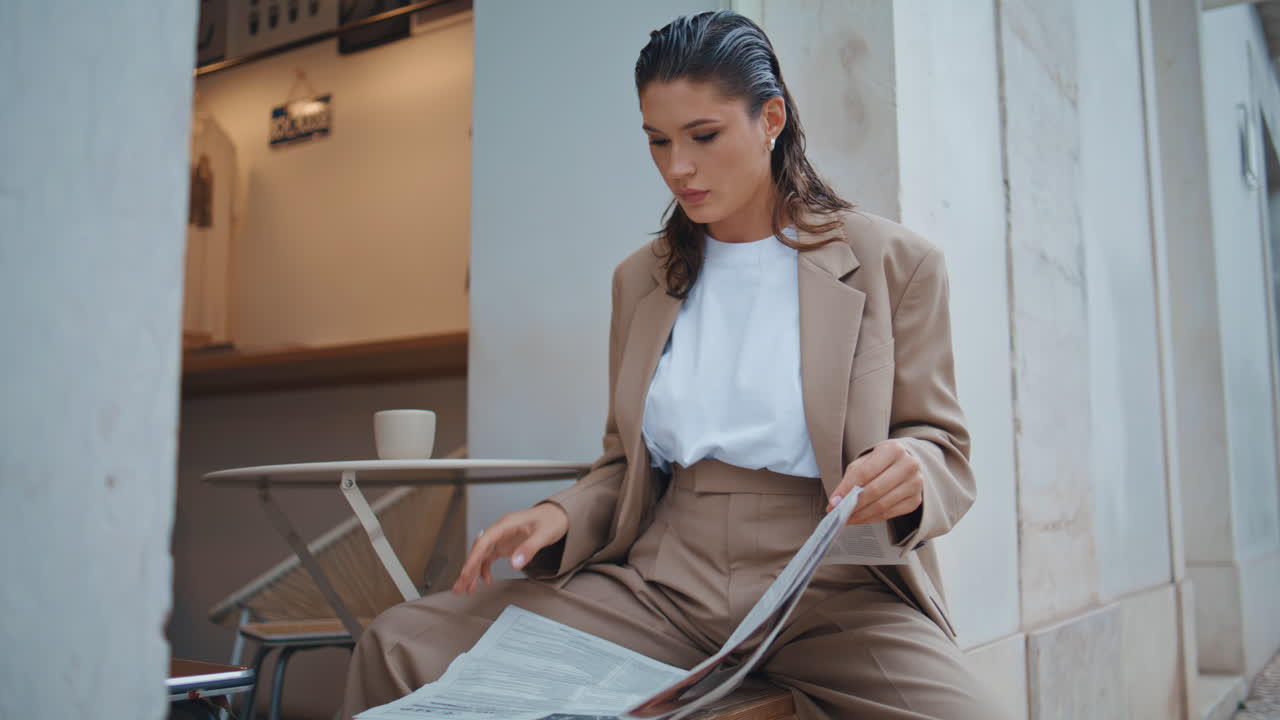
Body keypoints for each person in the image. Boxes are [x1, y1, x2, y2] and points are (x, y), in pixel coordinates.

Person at [341, 10, 1004, 720]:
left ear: (770, 117)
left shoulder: (893, 265)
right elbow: (624, 466)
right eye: (658, 141)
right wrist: (556, 515)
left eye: (704, 136)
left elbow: (944, 449)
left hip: (830, 587)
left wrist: (911, 465)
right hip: (660, 584)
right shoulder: (642, 279)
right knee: (400, 642)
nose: (677, 167)